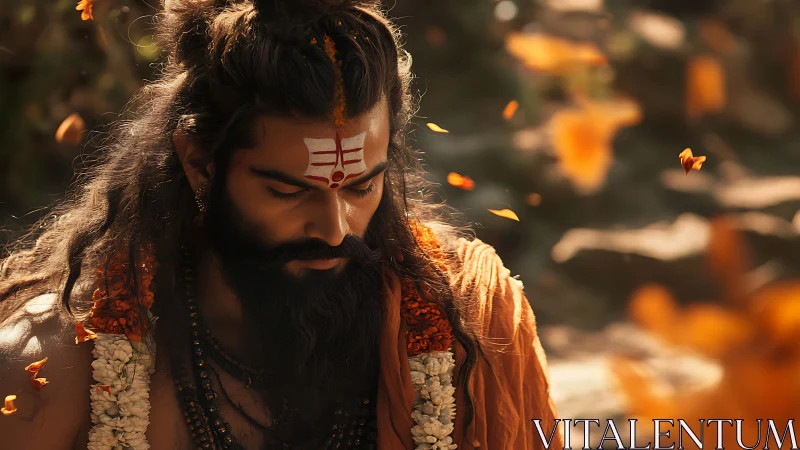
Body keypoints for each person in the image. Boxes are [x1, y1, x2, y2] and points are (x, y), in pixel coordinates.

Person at [0, 0, 561, 448]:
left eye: (362, 186)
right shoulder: (52, 371)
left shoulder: (473, 329)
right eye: (288, 191)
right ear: (200, 163)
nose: (336, 229)